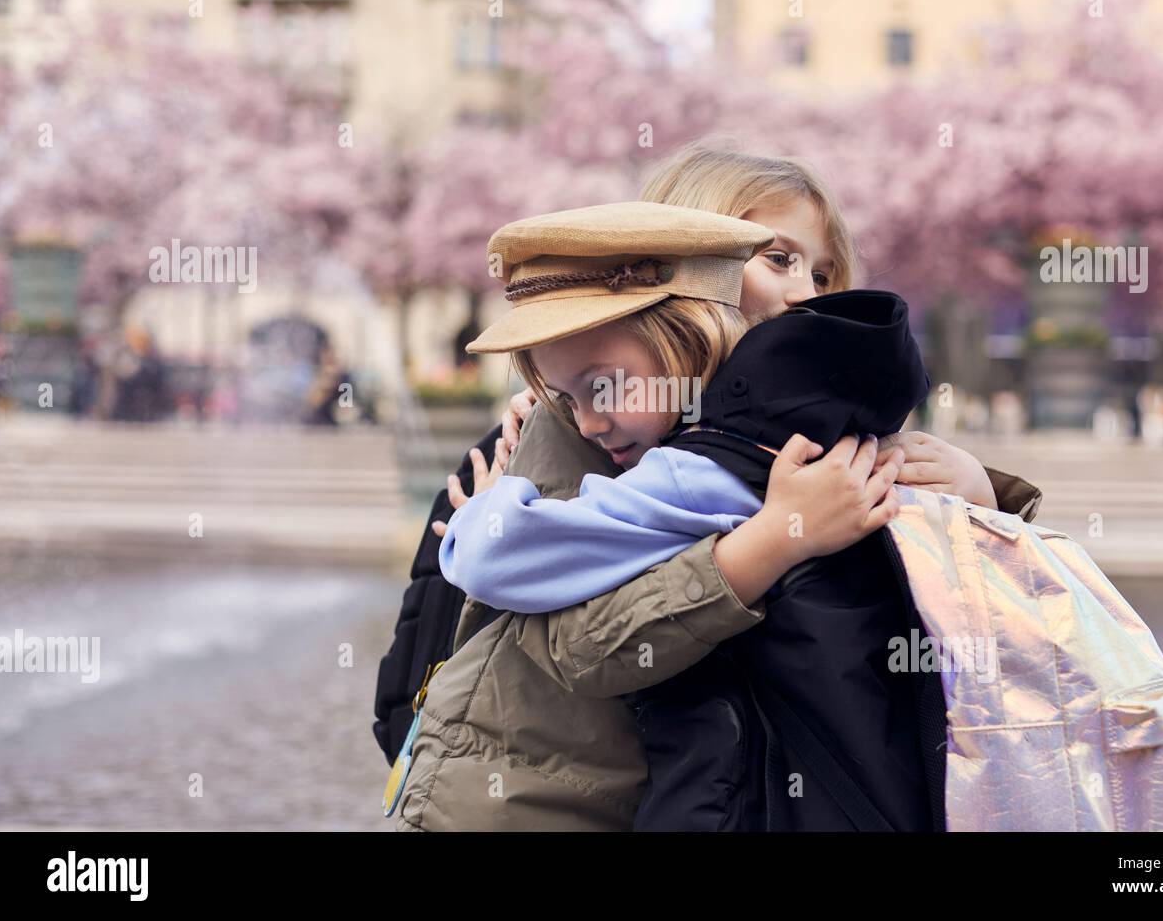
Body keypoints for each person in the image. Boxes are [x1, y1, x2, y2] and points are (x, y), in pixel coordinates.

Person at [376, 147, 1043, 829]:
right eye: (777, 258)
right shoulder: (600, 429)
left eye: (822, 272)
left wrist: (979, 495)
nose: (805, 293)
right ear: (690, 258)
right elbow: (569, 642)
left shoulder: (764, 425)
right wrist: (772, 542)